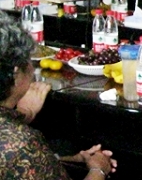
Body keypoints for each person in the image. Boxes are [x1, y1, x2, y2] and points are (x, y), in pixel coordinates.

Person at [0, 12, 117, 179]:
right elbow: (19, 159)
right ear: (15, 74)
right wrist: (98, 169)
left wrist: (64, 160)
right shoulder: (20, 145)